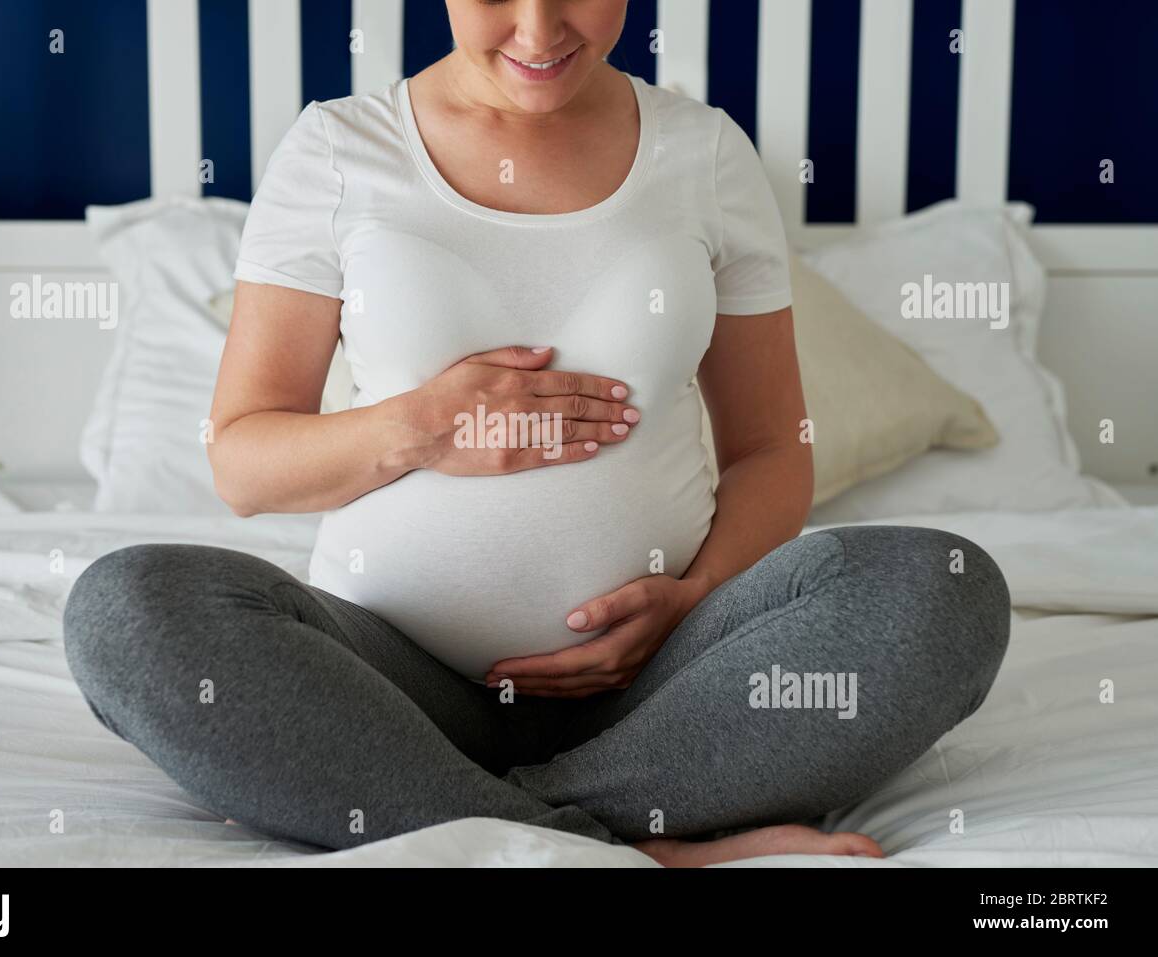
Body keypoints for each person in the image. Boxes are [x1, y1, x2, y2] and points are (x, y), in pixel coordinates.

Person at [64, 0, 1010, 866]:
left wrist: (693, 596)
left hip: (671, 685)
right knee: (125, 607)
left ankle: (500, 824)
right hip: (390, 686)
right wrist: (423, 425)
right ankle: (637, 847)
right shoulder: (338, 149)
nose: (537, 29)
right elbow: (243, 460)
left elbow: (773, 446)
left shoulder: (706, 154)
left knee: (944, 590)